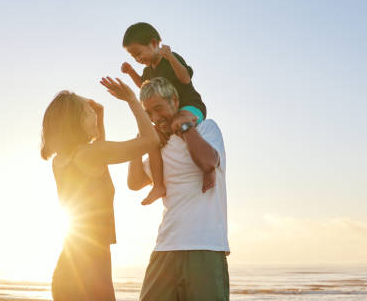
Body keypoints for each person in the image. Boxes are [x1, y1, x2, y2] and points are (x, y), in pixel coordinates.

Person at [40, 77, 159, 301]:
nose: (94, 114)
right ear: (76, 121)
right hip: (91, 267)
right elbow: (150, 140)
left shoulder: (62, 160)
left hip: (70, 265)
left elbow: (99, 164)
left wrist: (100, 119)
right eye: (89, 112)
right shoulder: (91, 154)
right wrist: (132, 99)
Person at [127, 77, 230, 301]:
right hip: (165, 248)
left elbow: (208, 162)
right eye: (149, 113)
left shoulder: (207, 128)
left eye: (158, 108)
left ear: (174, 100)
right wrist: (141, 141)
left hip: (206, 247)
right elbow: (135, 183)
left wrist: (184, 127)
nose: (155, 118)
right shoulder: (160, 147)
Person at [120, 22, 213, 205]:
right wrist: (131, 72)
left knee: (179, 121)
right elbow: (145, 87)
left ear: (154, 43)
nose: (138, 59)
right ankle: (158, 185)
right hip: (168, 117)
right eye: (133, 57)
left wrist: (170, 57)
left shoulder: (169, 58)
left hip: (189, 107)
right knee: (152, 138)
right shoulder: (148, 70)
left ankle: (208, 170)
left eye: (139, 53)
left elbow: (185, 78)